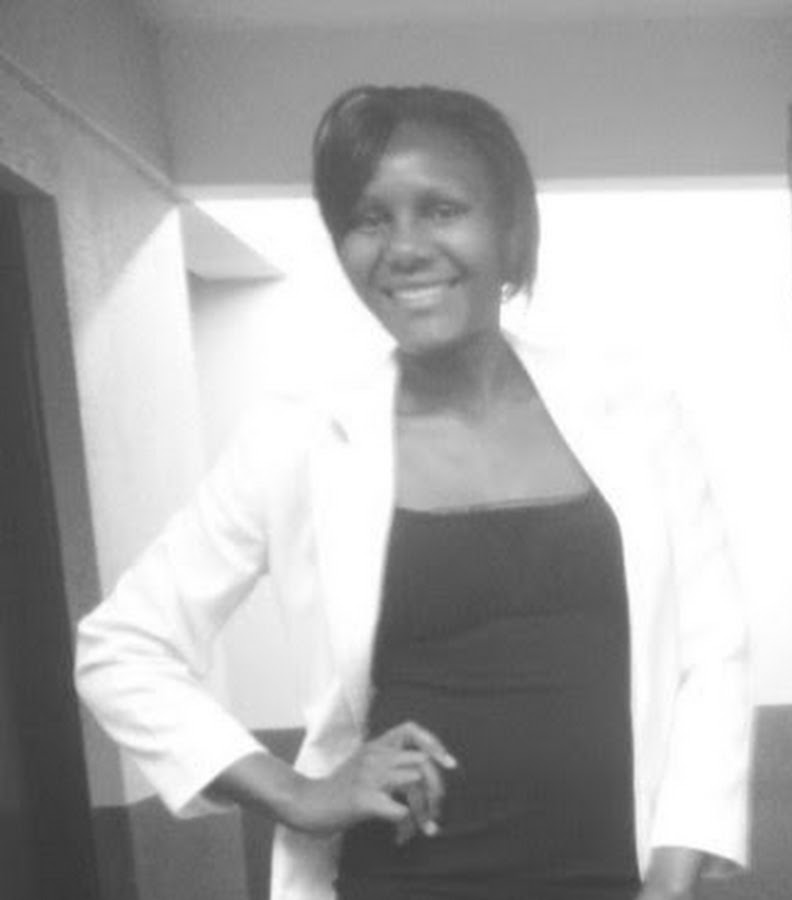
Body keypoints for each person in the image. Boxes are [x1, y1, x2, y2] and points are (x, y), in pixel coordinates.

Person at [76, 85, 752, 900]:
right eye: (369, 219)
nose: (403, 247)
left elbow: (713, 656)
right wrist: (295, 793)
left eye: (442, 210)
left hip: (615, 878)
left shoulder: (636, 415)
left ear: (511, 230)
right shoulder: (301, 437)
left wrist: (673, 878)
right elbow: (122, 648)